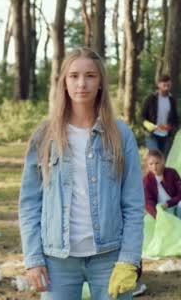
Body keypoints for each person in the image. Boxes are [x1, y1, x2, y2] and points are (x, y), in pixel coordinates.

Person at [19, 47, 144, 300]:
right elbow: (29, 203)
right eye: (74, 76)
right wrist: (33, 258)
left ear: (100, 83)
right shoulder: (44, 136)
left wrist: (129, 259)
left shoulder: (121, 135)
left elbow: (133, 205)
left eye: (90, 75)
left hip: (109, 257)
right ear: (64, 82)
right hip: (57, 260)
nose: (82, 83)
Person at [142, 149, 181, 224]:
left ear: (162, 161)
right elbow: (148, 203)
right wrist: (158, 216)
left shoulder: (171, 173)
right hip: (160, 212)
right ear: (147, 165)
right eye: (151, 164)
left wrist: (168, 204)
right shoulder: (146, 181)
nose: (154, 167)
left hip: (174, 207)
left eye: (157, 163)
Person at [140, 75, 180, 159]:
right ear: (159, 85)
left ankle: (158, 171)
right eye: (164, 85)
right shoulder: (151, 99)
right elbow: (142, 117)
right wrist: (151, 126)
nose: (166, 88)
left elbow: (175, 118)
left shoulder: (172, 100)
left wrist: (172, 127)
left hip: (166, 135)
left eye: (168, 86)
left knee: (162, 160)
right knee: (155, 157)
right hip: (152, 134)